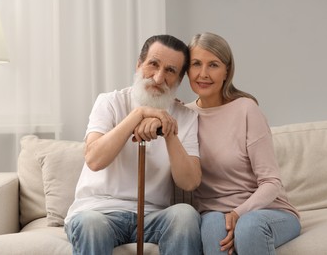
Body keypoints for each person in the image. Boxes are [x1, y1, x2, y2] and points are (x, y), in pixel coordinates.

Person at [64, 35, 202, 255]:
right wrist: (138, 114)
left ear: (179, 79)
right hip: (98, 213)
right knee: (91, 225)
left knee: (185, 215)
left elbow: (190, 182)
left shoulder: (186, 117)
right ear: (139, 65)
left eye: (170, 71)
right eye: (153, 65)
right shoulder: (109, 102)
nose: (158, 78)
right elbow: (94, 159)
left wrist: (167, 130)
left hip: (152, 216)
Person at [185, 32, 301, 255]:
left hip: (268, 211)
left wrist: (239, 213)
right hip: (213, 212)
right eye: (196, 64)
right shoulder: (184, 116)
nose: (203, 74)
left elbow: (271, 181)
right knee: (211, 230)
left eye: (213, 65)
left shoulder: (246, 109)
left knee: (249, 228)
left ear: (227, 70)